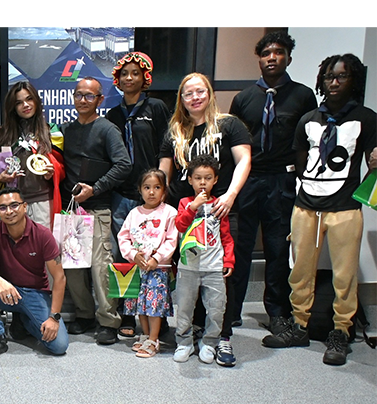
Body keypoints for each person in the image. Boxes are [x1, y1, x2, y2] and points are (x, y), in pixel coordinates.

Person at [264, 53, 377, 366]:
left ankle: (341, 332)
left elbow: (372, 162)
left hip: (345, 208)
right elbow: (300, 161)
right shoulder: (309, 119)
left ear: (353, 80)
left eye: (342, 76)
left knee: (345, 276)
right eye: (329, 76)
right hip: (307, 207)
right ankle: (299, 325)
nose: (334, 82)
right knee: (300, 271)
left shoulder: (366, 118)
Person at [158, 72, 251, 367]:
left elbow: (244, 160)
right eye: (188, 93)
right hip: (185, 212)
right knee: (188, 275)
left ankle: (222, 337)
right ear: (181, 99)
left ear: (209, 94)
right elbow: (163, 172)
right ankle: (193, 331)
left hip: (220, 211)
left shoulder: (228, 125)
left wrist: (231, 195)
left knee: (223, 277)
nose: (195, 97)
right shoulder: (175, 131)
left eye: (200, 91)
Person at [228, 32, 318, 335]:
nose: (271, 58)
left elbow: (311, 141)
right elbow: (234, 144)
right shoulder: (243, 99)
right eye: (266, 53)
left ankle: (277, 312)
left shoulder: (303, 96)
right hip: (249, 181)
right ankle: (232, 309)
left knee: (278, 249)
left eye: (278, 53)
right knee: (239, 248)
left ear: (288, 58)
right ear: (259, 59)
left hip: (283, 179)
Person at [60, 76, 132, 344]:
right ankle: (84, 315)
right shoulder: (66, 130)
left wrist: (96, 188)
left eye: (89, 96)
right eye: (79, 95)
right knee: (73, 269)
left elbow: (124, 165)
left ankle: (108, 322)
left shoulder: (107, 129)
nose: (83, 100)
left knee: (101, 269)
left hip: (98, 208)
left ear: (100, 100)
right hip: (72, 210)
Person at [106, 51, 171, 337]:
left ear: (145, 78)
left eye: (135, 73)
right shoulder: (112, 114)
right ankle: (128, 314)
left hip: (153, 195)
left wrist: (161, 187)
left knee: (158, 253)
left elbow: (166, 149)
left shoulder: (156, 107)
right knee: (127, 254)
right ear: (117, 79)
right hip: (122, 195)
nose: (129, 78)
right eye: (124, 74)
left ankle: (159, 313)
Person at [0, 187, 69, 361]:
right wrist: (1, 283)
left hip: (36, 293)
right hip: (7, 292)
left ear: (25, 207)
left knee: (59, 346)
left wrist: (54, 317)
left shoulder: (42, 234)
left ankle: (24, 321)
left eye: (14, 205)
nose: (9, 211)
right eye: (3, 208)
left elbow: (59, 277)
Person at [173, 155, 234, 364]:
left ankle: (209, 343)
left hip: (214, 266)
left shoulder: (220, 205)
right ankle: (184, 342)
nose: (202, 183)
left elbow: (226, 236)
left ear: (215, 180)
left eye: (207, 178)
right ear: (190, 179)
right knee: (184, 307)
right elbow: (180, 226)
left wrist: (229, 261)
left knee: (217, 308)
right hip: (188, 267)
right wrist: (193, 207)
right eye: (198, 178)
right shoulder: (184, 203)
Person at [117, 169, 178, 358]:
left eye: (157, 187)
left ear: (164, 191)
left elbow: (171, 240)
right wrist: (133, 255)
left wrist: (157, 258)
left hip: (158, 268)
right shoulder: (134, 213)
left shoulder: (169, 212)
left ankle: (154, 339)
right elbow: (123, 237)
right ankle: (144, 335)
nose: (151, 192)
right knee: (138, 304)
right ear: (140, 190)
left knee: (154, 305)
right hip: (138, 268)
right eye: (147, 187)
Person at [0, 81, 65, 228]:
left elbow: (61, 166)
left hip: (43, 202)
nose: (26, 105)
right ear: (13, 107)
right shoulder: (2, 134)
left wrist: (52, 174)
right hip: (12, 204)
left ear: (36, 101)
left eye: (29, 99)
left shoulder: (51, 131)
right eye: (19, 102)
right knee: (14, 248)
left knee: (42, 247)